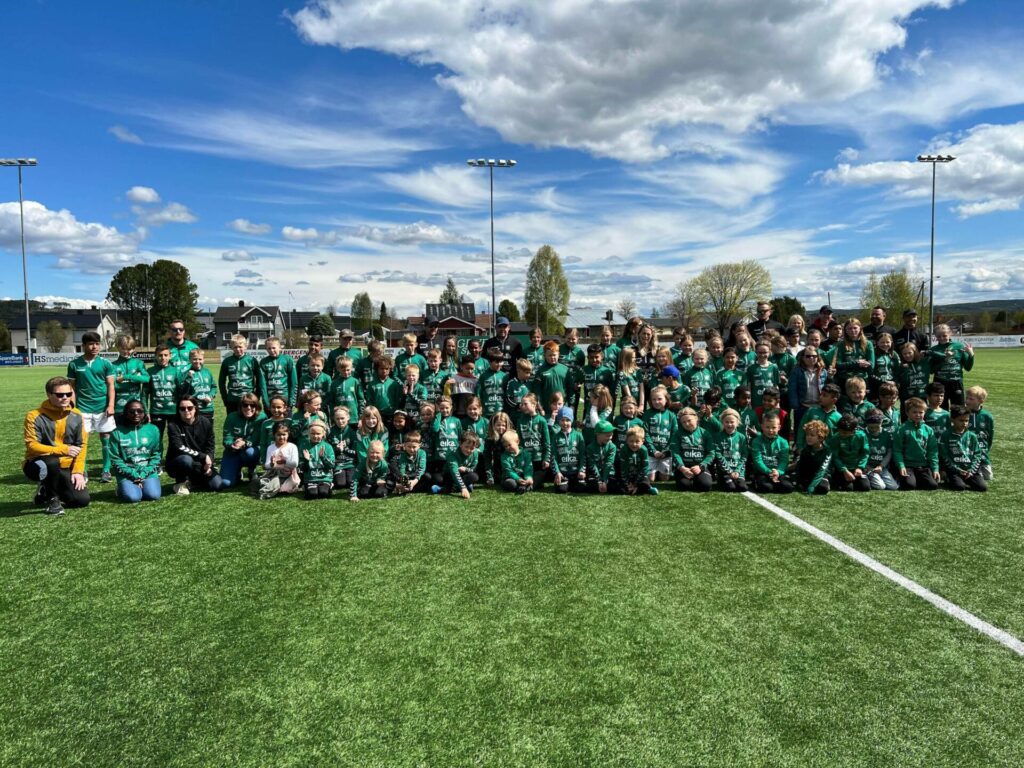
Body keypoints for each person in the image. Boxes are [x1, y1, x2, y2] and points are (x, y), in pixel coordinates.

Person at [23, 376, 90, 515]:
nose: (65, 398)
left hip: (65, 465)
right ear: (49, 395)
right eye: (60, 395)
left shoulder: (77, 414)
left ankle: (45, 489)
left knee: (81, 500)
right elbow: (32, 446)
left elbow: (81, 445)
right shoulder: (34, 416)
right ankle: (52, 499)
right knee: (51, 462)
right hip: (37, 463)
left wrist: (78, 470)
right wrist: (64, 449)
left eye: (69, 394)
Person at [66, 331, 116, 482]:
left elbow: (111, 386)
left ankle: (106, 470)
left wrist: (111, 405)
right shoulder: (74, 364)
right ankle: (83, 470)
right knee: (82, 441)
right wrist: (73, 407)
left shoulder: (106, 364)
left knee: (106, 439)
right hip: (83, 409)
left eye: (97, 344)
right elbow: (72, 388)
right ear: (84, 346)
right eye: (91, 344)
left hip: (102, 408)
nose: (94, 347)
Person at [166, 395, 222, 494]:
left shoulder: (205, 422)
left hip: (200, 462)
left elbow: (211, 445)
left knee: (217, 485)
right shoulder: (173, 425)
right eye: (182, 408)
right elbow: (179, 447)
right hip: (178, 462)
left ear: (195, 408)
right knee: (186, 460)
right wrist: (203, 456)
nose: (186, 411)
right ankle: (180, 482)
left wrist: (209, 463)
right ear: (178, 410)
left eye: (190, 408)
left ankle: (193, 480)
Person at [109, 399, 162, 503]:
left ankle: (142, 486)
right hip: (127, 472)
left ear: (144, 413)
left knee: (153, 495)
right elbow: (115, 459)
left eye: (140, 411)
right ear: (126, 413)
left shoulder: (153, 429)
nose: (136, 414)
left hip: (147, 471)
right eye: (132, 411)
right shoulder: (116, 432)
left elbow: (157, 455)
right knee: (133, 498)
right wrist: (133, 474)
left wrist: (143, 474)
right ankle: (122, 488)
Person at [220, 393, 265, 490]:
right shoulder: (231, 417)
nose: (248, 408)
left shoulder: (261, 417)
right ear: (240, 406)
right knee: (225, 483)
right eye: (245, 405)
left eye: (252, 405)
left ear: (257, 406)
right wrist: (232, 444)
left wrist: (244, 443)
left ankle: (251, 470)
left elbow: (257, 437)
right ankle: (236, 472)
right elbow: (226, 437)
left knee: (250, 453)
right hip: (232, 452)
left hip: (250, 450)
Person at [893, 397, 940, 491]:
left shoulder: (928, 430)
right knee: (909, 485)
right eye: (914, 412)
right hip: (908, 465)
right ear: (907, 413)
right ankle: (902, 477)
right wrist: (901, 466)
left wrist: (935, 469)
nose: (918, 415)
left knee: (932, 485)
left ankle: (918, 478)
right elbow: (897, 450)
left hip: (923, 466)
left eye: (921, 412)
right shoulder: (902, 429)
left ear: (924, 413)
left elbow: (932, 451)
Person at [940, 405, 988, 492]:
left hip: (969, 470)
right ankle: (949, 478)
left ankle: (966, 479)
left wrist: (971, 470)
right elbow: (944, 456)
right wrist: (957, 470)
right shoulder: (946, 435)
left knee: (982, 487)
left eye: (966, 420)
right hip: (954, 470)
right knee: (959, 487)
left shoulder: (972, 436)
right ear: (952, 420)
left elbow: (977, 454)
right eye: (961, 420)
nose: (964, 423)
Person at [926, 323, 975, 408]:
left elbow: (968, 368)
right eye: (938, 336)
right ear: (935, 336)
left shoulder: (959, 346)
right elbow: (931, 370)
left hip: (956, 382)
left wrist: (971, 355)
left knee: (959, 411)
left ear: (950, 333)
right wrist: (945, 359)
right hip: (940, 383)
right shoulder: (933, 350)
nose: (941, 338)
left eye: (944, 335)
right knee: (941, 410)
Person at [670, 407, 713, 492]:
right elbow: (675, 453)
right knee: (684, 486)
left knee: (705, 485)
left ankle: (698, 479)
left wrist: (701, 466)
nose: (687, 424)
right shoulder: (677, 434)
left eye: (689, 420)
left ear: (696, 418)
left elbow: (711, 453)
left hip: (699, 466)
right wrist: (682, 468)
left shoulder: (705, 433)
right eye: (683, 422)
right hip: (684, 467)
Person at [749, 413, 794, 494]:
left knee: (788, 487)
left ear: (779, 427)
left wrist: (778, 472)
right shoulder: (756, 441)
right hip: (762, 472)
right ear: (762, 426)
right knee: (766, 488)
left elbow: (784, 461)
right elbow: (757, 460)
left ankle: (774, 482)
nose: (770, 430)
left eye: (774, 427)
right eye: (767, 427)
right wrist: (768, 471)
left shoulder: (783, 442)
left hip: (777, 472)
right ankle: (756, 481)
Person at [147, 344, 181, 445]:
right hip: (156, 411)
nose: (163, 358)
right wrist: (145, 410)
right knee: (156, 437)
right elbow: (145, 393)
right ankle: (157, 460)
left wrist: (180, 409)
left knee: (174, 437)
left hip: (173, 411)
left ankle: (173, 460)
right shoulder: (150, 371)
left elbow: (180, 392)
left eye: (166, 355)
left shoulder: (176, 371)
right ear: (156, 356)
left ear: (170, 356)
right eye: (160, 355)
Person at [827, 413, 870, 492]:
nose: (841, 434)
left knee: (865, 487)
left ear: (853, 431)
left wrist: (860, 467)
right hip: (843, 468)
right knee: (848, 488)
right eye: (840, 431)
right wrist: (844, 470)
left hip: (856, 467)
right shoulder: (836, 438)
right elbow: (835, 457)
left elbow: (865, 453)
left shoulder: (861, 436)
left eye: (845, 433)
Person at [219, 335, 260, 415]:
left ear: (245, 346)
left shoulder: (252, 360)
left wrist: (257, 396)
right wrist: (225, 398)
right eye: (235, 347)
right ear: (231, 347)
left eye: (240, 347)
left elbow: (259, 379)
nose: (238, 349)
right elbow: (221, 381)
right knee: (233, 423)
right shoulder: (227, 361)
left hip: (248, 399)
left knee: (249, 423)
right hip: (232, 399)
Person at [259, 422, 300, 499]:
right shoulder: (271, 447)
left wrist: (285, 461)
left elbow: (295, 464)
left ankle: (282, 486)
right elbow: (267, 465)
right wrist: (271, 463)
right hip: (275, 474)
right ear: (274, 435)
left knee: (285, 489)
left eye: (284, 434)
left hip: (289, 474)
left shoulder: (292, 447)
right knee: (271, 484)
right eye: (278, 435)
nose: (281, 437)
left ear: (288, 434)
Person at [550, 407, 586, 493]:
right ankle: (565, 481)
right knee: (561, 490)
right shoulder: (556, 436)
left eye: (568, 420)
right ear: (558, 421)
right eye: (562, 420)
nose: (565, 423)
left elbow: (582, 455)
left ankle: (574, 482)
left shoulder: (578, 435)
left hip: (575, 472)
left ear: (572, 421)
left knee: (581, 488)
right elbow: (553, 457)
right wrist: (557, 472)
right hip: (563, 473)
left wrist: (581, 470)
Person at [111, 335, 150, 414]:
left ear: (133, 349)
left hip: (135, 406)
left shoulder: (138, 363)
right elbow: (113, 386)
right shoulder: (113, 365)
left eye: (129, 349)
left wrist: (126, 377)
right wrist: (136, 379)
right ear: (118, 348)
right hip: (119, 407)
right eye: (123, 349)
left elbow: (146, 379)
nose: (126, 351)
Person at [436, 431, 482, 498]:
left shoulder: (475, 453)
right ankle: (464, 486)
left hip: (463, 474)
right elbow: (455, 472)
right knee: (438, 479)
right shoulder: (452, 454)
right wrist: (463, 488)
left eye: (472, 448)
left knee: (474, 476)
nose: (469, 450)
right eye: (466, 447)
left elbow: (473, 469)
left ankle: (446, 489)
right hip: (450, 474)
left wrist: (466, 469)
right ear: (460, 444)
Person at [258, 337, 297, 411]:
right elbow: (262, 385)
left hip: (284, 397)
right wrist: (266, 402)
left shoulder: (288, 359)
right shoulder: (263, 362)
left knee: (286, 422)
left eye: (274, 348)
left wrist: (291, 401)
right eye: (269, 348)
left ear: (280, 348)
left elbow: (294, 382)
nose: (272, 350)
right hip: (270, 398)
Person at [180, 348, 217, 427]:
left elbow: (213, 386)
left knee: (208, 433)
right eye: (194, 359)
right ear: (190, 360)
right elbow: (184, 392)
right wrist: (189, 378)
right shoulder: (186, 373)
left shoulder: (207, 372)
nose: (197, 361)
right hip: (194, 410)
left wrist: (210, 396)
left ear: (203, 360)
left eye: (200, 359)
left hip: (208, 408)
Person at [793, 420, 832, 495]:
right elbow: (800, 467)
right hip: (808, 476)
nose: (808, 437)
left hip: (821, 476)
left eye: (812, 435)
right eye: (807, 435)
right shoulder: (806, 450)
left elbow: (823, 470)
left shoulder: (827, 451)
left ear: (821, 437)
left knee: (822, 488)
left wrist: (812, 486)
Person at [863, 409, 898, 491]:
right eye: (871, 427)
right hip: (868, 467)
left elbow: (889, 452)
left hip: (881, 467)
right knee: (881, 486)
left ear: (881, 422)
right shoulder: (862, 434)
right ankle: (866, 476)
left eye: (877, 427)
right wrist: (865, 466)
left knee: (894, 487)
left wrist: (881, 466)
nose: (874, 429)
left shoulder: (887, 434)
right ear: (866, 423)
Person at [617, 426, 656, 495]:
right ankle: (636, 490)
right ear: (627, 441)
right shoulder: (624, 450)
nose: (634, 444)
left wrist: (636, 483)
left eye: (637, 441)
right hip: (628, 476)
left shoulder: (644, 450)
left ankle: (644, 488)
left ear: (642, 441)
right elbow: (623, 469)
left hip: (639, 476)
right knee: (619, 487)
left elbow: (645, 468)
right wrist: (627, 484)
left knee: (645, 483)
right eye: (631, 441)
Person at [965, 385, 994, 481]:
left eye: (971, 399)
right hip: (966, 454)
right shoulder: (963, 413)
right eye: (967, 398)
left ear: (980, 401)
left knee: (988, 477)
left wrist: (985, 449)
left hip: (982, 454)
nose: (967, 401)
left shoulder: (987, 416)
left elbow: (990, 436)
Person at [301, 422, 335, 499]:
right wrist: (306, 460)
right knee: (312, 495)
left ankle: (330, 485)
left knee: (324, 493)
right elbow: (302, 468)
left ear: (323, 434)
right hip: (310, 478)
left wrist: (323, 457)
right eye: (312, 433)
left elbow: (332, 465)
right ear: (309, 434)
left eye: (318, 434)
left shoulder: (328, 446)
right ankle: (306, 487)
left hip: (325, 477)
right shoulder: (304, 446)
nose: (315, 436)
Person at [388, 430, 427, 495]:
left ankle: (410, 488)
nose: (411, 449)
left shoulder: (422, 453)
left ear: (419, 445)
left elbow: (421, 469)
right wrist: (404, 481)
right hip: (407, 476)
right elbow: (402, 469)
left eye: (414, 447)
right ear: (404, 446)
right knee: (393, 477)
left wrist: (414, 481)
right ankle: (405, 487)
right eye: (409, 447)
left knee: (427, 476)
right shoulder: (403, 454)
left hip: (416, 476)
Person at [585, 420, 617, 494]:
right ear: (598, 434)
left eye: (611, 435)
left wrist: (604, 481)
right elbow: (592, 464)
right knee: (590, 486)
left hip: (609, 473)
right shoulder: (590, 447)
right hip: (596, 474)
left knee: (614, 486)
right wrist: (599, 481)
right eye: (607, 435)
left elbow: (609, 463)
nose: (610, 438)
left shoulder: (612, 447)